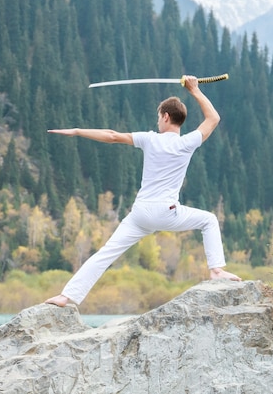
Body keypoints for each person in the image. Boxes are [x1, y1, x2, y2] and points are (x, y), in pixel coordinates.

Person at [45, 75, 241, 307]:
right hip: (166, 212)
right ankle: (216, 270)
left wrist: (77, 131)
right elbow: (213, 118)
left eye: (159, 117)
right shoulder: (187, 142)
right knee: (209, 220)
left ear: (166, 117)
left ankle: (66, 296)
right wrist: (194, 90)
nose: (158, 122)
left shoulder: (149, 139)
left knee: (105, 253)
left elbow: (112, 136)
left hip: (140, 213)